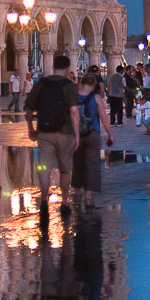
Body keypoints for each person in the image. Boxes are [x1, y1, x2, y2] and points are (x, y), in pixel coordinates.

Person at [24, 55, 80, 222]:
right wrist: (76, 135)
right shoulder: (69, 86)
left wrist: (30, 128)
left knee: (44, 167)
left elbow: (28, 110)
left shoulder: (41, 84)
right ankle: (63, 202)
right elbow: (74, 111)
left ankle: (43, 200)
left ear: (54, 66)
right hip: (64, 132)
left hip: (44, 132)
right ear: (67, 69)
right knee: (64, 168)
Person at [73, 74, 115, 208]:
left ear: (81, 82)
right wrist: (110, 135)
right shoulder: (96, 98)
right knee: (91, 164)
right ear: (93, 85)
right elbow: (103, 118)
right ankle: (88, 197)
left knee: (77, 163)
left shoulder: (73, 97)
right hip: (92, 134)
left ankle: (77, 193)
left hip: (76, 134)